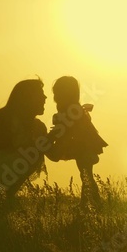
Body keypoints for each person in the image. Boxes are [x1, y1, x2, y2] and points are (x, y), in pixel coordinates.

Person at [47, 76, 108, 209]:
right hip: (83, 145)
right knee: (86, 173)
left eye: (57, 92)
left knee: (85, 174)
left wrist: (51, 138)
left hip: (84, 146)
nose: (55, 96)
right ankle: (93, 201)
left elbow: (64, 130)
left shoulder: (72, 110)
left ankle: (91, 202)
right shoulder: (73, 108)